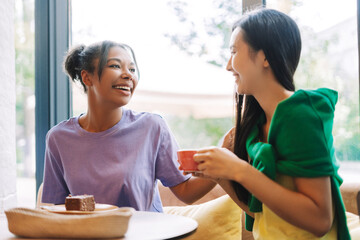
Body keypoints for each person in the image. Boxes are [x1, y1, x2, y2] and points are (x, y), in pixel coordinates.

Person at [188, 8, 350, 239]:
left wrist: (238, 169)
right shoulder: (257, 126)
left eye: (234, 51)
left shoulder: (300, 115)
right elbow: (260, 214)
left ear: (265, 57)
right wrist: (221, 176)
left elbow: (320, 220)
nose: (227, 65)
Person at [41, 40, 216, 212]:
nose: (128, 75)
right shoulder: (59, 138)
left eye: (132, 69)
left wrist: (227, 152)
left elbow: (186, 192)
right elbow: (55, 208)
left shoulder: (152, 127)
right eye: (116, 66)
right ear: (87, 77)